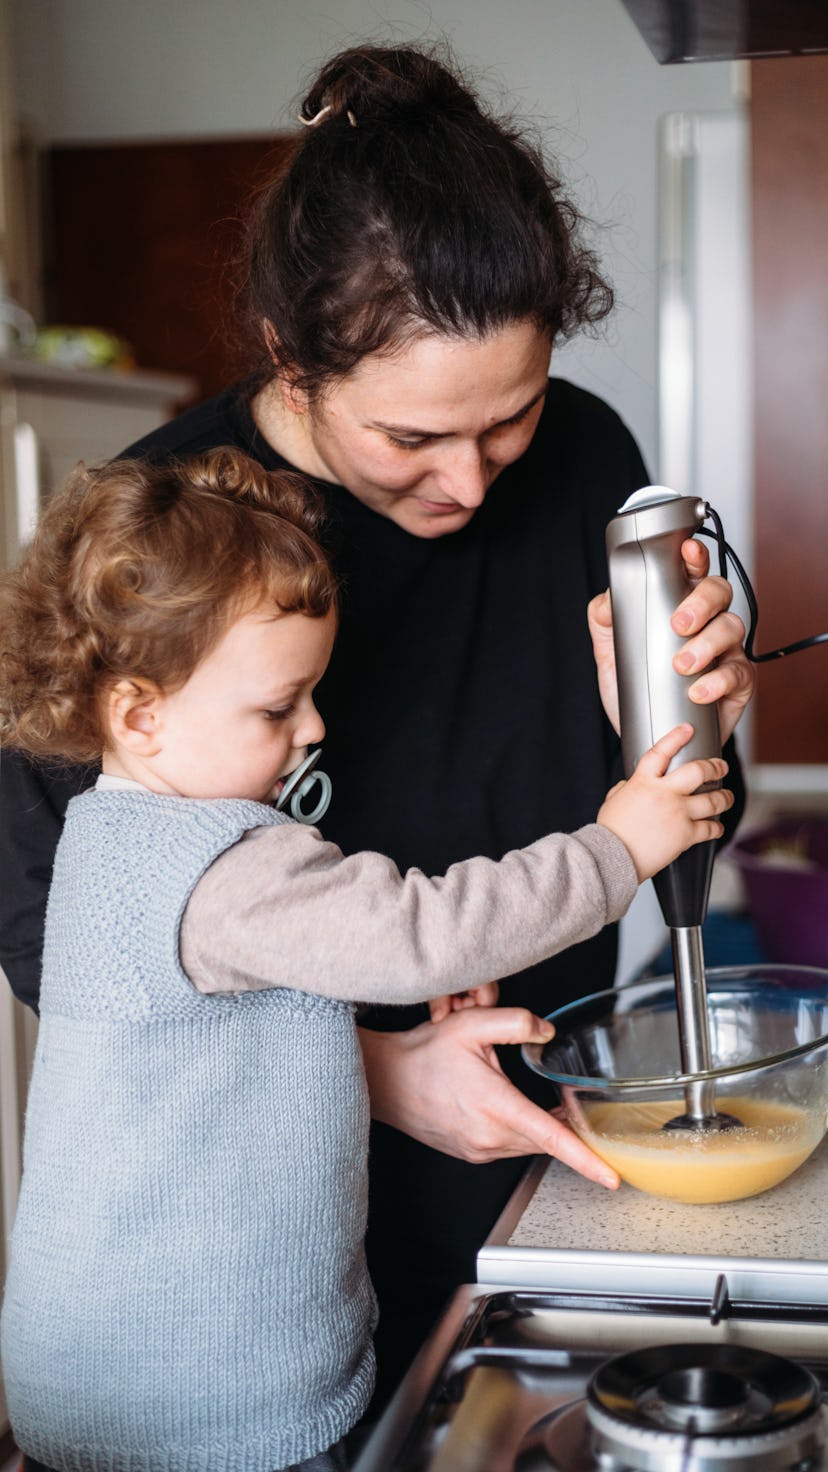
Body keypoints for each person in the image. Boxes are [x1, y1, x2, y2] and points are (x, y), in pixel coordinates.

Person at [0, 43, 754, 1409]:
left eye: (508, 419)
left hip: (545, 1127)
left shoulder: (590, 460)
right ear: (292, 361)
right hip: (251, 1227)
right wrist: (374, 1074)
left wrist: (688, 724)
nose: (466, 480)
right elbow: (53, 922)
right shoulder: (158, 539)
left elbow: (686, 824)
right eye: (409, 440)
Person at [0, 447, 732, 1472]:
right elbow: (418, 925)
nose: (314, 727)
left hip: (109, 1375)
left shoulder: (111, 837)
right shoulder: (219, 865)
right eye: (276, 707)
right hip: (201, 1407)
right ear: (138, 713)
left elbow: (269, 993)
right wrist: (621, 844)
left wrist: (401, 989)